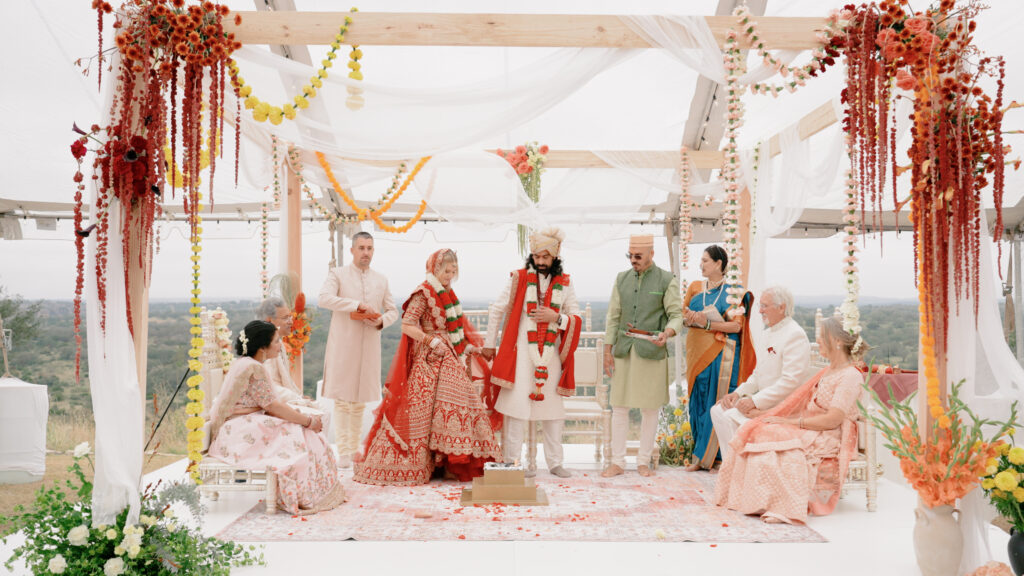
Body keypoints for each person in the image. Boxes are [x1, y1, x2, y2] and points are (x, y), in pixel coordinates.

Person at [355, 249, 502, 485]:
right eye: (446, 271)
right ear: (434, 269)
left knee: (460, 399)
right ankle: (436, 462)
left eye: (454, 271)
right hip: (429, 357)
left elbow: (456, 334)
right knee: (425, 410)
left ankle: (452, 461)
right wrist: (430, 340)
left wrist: (473, 350)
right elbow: (407, 325)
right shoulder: (423, 292)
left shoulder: (449, 294)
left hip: (448, 354)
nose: (449, 275)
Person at [714, 317, 866, 524]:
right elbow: (805, 406)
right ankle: (756, 499)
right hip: (813, 427)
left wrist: (791, 423)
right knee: (759, 429)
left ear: (838, 341)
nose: (818, 340)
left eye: (822, 336)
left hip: (828, 434)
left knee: (773, 432)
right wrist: (769, 416)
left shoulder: (850, 375)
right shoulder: (829, 371)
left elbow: (832, 419)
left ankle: (784, 506)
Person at [207, 320, 345, 515]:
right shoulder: (254, 368)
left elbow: (271, 405)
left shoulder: (245, 363)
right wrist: (308, 421)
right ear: (263, 347)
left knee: (298, 428)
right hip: (238, 432)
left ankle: (311, 487)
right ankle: (304, 493)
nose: (280, 344)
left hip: (237, 427)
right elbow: (273, 407)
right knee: (301, 433)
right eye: (276, 341)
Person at [482, 228, 582, 479]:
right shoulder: (517, 279)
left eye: (545, 258)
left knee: (553, 412)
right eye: (536, 257)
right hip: (521, 356)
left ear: (555, 257)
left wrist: (556, 317)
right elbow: (496, 309)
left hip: (550, 357)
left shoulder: (566, 284)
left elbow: (577, 316)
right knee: (516, 409)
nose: (539, 262)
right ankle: (513, 461)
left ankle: (555, 463)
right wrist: (489, 343)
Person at [601, 234, 683, 478]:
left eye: (638, 256)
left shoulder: (667, 280)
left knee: (649, 409)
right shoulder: (621, 279)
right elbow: (613, 317)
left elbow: (676, 315)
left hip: (651, 350)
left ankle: (643, 461)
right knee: (620, 406)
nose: (633, 260)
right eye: (631, 256)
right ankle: (617, 462)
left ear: (651, 254)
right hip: (624, 350)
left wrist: (667, 332)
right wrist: (607, 350)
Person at [318, 231, 399, 468]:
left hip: (369, 344)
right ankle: (344, 450)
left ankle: (354, 450)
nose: (366, 253)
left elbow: (393, 310)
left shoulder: (381, 279)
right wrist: (355, 304)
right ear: (352, 250)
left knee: (360, 400)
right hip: (344, 342)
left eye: (370, 248)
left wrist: (382, 321)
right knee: (343, 399)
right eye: (361, 248)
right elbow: (323, 298)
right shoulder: (338, 274)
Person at [709, 286, 810, 459]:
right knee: (718, 409)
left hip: (783, 405)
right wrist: (738, 393)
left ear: (781, 307)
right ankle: (732, 466)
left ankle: (739, 468)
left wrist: (754, 401)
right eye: (760, 306)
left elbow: (790, 382)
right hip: (763, 400)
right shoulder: (767, 333)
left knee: (729, 416)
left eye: (764, 306)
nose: (760, 311)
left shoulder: (795, 335)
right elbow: (757, 374)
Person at [683, 245, 756, 471]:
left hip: (723, 355)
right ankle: (701, 451)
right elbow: (683, 314)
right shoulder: (695, 288)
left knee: (716, 401)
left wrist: (706, 323)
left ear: (718, 264)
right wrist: (690, 319)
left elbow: (735, 325)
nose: (701, 265)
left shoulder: (734, 291)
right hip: (697, 353)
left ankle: (710, 457)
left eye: (705, 261)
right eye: (701, 261)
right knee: (697, 400)